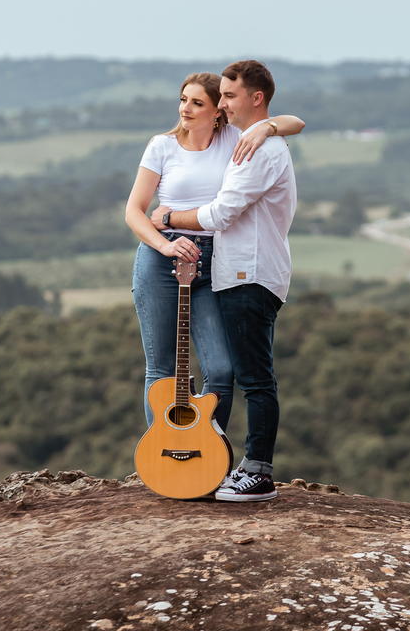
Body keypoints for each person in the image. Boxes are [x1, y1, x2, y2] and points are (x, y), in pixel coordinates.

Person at [125, 72, 305, 440]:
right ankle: (168, 455)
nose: (184, 109)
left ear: (218, 110)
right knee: (162, 371)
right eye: (182, 99)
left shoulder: (236, 139)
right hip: (162, 258)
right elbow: (134, 211)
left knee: (222, 370)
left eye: (197, 102)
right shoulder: (162, 146)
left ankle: (207, 452)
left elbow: (297, 123)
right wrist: (165, 245)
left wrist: (266, 127)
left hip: (212, 261)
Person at [150, 60, 297, 502]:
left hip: (248, 275)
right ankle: (241, 466)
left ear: (256, 99)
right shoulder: (254, 140)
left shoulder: (259, 150)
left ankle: (257, 472)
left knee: (255, 378)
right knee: (252, 374)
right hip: (239, 273)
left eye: (230, 96)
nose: (224, 103)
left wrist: (168, 217)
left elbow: (219, 214)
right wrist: (269, 126)